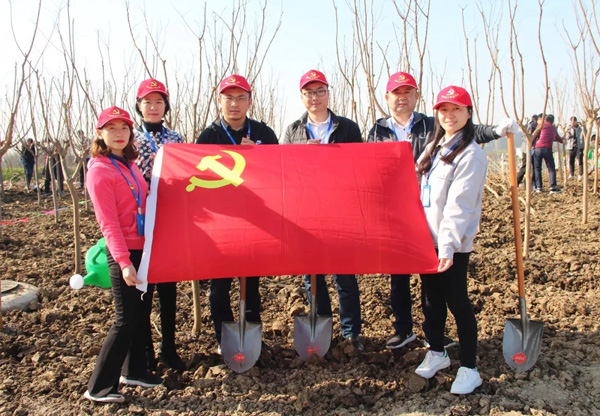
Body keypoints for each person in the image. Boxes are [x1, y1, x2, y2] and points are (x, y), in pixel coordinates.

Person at [367, 72, 516, 351]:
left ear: (417, 96)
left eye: (408, 92)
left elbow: (466, 132)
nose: (402, 98)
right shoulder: (378, 131)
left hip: (433, 219)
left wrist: (496, 131)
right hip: (398, 214)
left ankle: (440, 340)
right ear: (387, 97)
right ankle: (405, 330)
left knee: (439, 288)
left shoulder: (431, 126)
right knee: (402, 278)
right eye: (397, 93)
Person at [282, 69, 365, 352]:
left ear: (328, 94)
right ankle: (323, 329)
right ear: (302, 97)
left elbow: (359, 166)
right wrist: (302, 155)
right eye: (308, 92)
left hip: (340, 210)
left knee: (345, 274)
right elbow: (284, 170)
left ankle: (351, 332)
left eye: (319, 91)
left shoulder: (348, 128)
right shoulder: (293, 131)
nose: (314, 97)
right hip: (306, 212)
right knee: (313, 276)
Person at [84, 106, 161, 404]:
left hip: (144, 250)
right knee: (125, 320)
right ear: (100, 133)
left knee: (140, 316)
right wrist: (124, 262)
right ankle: (99, 386)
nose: (119, 133)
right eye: (111, 128)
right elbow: (109, 224)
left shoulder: (129, 164)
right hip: (125, 253)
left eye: (124, 128)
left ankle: (135, 371)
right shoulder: (100, 171)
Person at [195, 74, 278, 351]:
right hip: (221, 222)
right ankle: (224, 339)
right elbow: (198, 177)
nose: (234, 104)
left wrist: (258, 156)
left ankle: (253, 338)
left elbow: (278, 171)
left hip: (255, 220)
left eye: (241, 98)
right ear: (220, 101)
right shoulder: (209, 136)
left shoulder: (264, 133)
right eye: (229, 98)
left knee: (251, 282)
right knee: (219, 285)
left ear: (250, 102)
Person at [414, 86, 487, 395]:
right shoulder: (435, 146)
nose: (449, 115)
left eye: (456, 109)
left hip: (452, 244)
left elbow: (460, 206)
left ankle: (469, 368)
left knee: (457, 301)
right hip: (427, 240)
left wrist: (447, 247)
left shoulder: (471, 155)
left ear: (468, 113)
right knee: (430, 300)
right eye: (444, 109)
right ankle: (437, 351)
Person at [134, 78, 185, 371]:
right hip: (141, 222)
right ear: (139, 106)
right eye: (147, 102)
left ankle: (169, 348)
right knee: (144, 289)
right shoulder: (131, 139)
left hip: (169, 221)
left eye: (159, 102)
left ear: (166, 106)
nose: (153, 107)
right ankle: (146, 352)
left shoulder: (176, 138)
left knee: (168, 289)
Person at [532, 114, 563, 193]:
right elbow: (558, 138)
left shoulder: (540, 125)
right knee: (551, 168)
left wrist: (531, 144)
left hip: (537, 148)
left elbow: (535, 136)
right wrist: (562, 141)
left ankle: (539, 187)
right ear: (553, 121)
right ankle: (552, 187)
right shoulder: (553, 128)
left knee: (537, 168)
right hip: (547, 148)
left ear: (545, 120)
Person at [517, 114, 538, 187]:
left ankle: (531, 182)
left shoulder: (530, 125)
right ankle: (517, 181)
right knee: (527, 165)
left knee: (529, 165)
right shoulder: (533, 126)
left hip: (527, 148)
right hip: (528, 148)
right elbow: (529, 135)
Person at [566, 116, 584, 180]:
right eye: (571, 122)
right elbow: (566, 137)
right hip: (571, 146)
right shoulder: (569, 128)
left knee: (580, 161)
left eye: (573, 122)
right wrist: (568, 135)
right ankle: (571, 174)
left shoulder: (581, 127)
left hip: (579, 146)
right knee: (571, 161)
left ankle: (580, 174)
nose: (572, 123)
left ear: (576, 121)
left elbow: (585, 134)